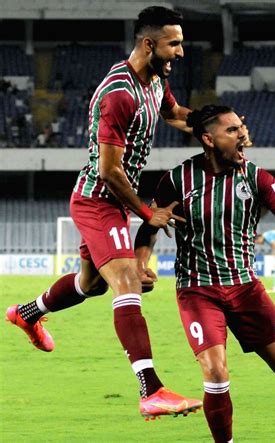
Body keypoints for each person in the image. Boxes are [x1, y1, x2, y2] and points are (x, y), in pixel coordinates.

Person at [5, 6, 203, 419]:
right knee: (129, 282)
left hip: (112, 201)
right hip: (99, 200)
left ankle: (27, 314)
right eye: (175, 44)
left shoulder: (153, 81)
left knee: (90, 285)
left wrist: (217, 125)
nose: (181, 52)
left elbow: (173, 113)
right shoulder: (119, 94)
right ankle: (151, 390)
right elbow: (110, 170)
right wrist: (147, 213)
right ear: (149, 44)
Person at [134, 105, 275, 442]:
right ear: (208, 139)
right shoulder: (177, 179)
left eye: (241, 128)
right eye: (232, 130)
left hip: (246, 287)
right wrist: (140, 264)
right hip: (198, 290)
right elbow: (149, 227)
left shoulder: (257, 177)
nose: (243, 135)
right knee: (216, 372)